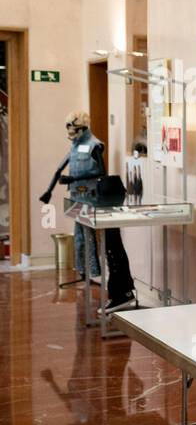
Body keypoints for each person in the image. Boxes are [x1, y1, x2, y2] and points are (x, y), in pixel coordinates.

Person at [39, 110, 136, 312]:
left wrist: (73, 179)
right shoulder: (74, 147)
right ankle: (90, 274)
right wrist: (48, 191)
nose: (70, 133)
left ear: (82, 127)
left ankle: (118, 291)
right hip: (77, 199)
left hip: (95, 201)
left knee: (106, 244)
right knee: (82, 240)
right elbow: (59, 169)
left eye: (73, 129)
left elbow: (101, 172)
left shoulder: (94, 145)